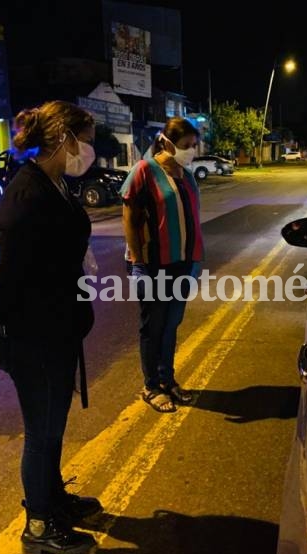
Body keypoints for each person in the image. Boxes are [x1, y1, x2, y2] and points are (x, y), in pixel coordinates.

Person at [0, 100, 101, 554]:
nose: (92, 150)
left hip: (57, 329)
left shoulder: (53, 183)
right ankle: (38, 525)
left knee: (53, 428)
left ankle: (53, 499)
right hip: (35, 336)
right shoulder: (26, 194)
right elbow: (12, 271)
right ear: (64, 139)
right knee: (41, 432)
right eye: (88, 140)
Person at [121, 116, 204, 413]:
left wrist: (196, 260)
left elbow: (192, 219)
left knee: (171, 326)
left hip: (182, 265)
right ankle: (151, 386)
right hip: (154, 265)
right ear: (167, 142)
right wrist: (138, 263)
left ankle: (167, 380)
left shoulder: (186, 174)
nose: (191, 150)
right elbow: (129, 218)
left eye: (194, 145)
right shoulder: (145, 170)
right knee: (152, 327)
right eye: (186, 145)